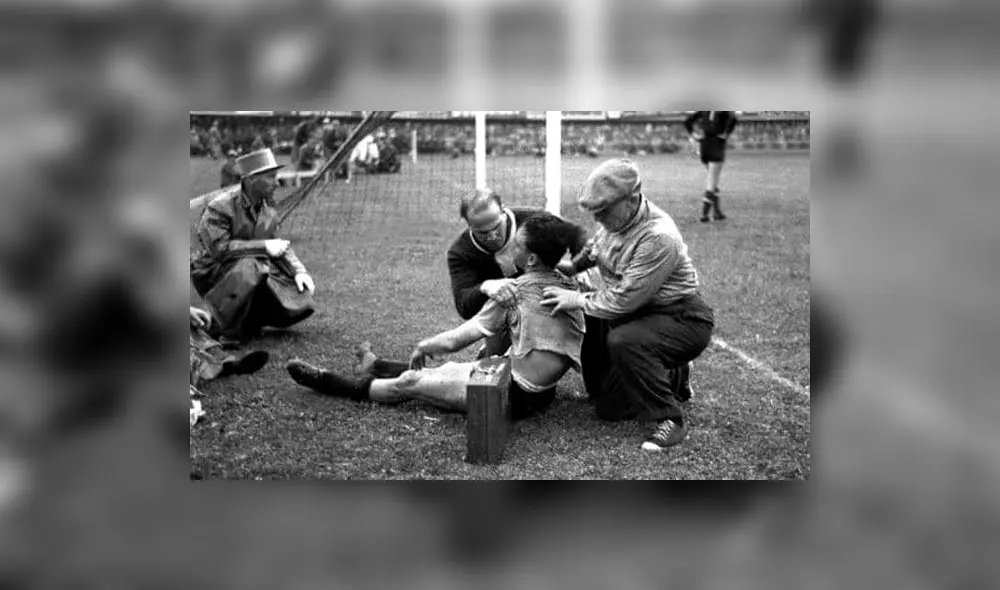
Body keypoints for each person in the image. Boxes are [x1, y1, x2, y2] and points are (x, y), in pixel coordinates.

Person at [286, 213, 586, 420]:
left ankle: (330, 382)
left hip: (511, 393)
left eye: (517, 245)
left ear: (531, 258)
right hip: (540, 391)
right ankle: (375, 365)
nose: (512, 248)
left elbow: (461, 336)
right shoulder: (571, 286)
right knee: (452, 368)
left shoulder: (514, 291)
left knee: (410, 382)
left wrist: (425, 344)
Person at [541, 158, 716, 452]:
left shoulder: (659, 236)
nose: (598, 219)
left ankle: (669, 418)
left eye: (604, 211)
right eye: (595, 212)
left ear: (632, 199)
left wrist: (575, 298)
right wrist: (568, 268)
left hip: (679, 319)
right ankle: (671, 373)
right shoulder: (618, 220)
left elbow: (624, 300)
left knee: (622, 338)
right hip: (636, 316)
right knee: (606, 405)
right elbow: (594, 249)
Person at [190, 148, 316, 344]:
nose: (277, 182)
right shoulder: (220, 207)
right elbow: (219, 249)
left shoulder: (268, 208)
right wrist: (263, 246)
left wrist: (299, 271)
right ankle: (217, 327)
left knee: (302, 299)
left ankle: (248, 321)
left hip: (250, 266)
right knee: (252, 266)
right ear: (250, 179)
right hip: (213, 271)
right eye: (271, 176)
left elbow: (280, 245)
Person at [447, 188, 589, 359]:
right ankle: (493, 358)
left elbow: (576, 234)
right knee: (497, 357)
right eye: (482, 232)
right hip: (504, 305)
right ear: (469, 225)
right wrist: (486, 286)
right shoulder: (461, 252)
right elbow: (464, 306)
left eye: (496, 227)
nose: (492, 237)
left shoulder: (531, 220)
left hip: (541, 294)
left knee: (586, 310)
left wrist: (580, 268)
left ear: (503, 211)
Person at [684, 111, 738, 223]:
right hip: (716, 144)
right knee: (712, 181)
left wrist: (694, 135)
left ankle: (717, 212)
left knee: (713, 181)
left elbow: (688, 120)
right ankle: (704, 214)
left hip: (704, 145)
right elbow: (733, 119)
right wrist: (726, 133)